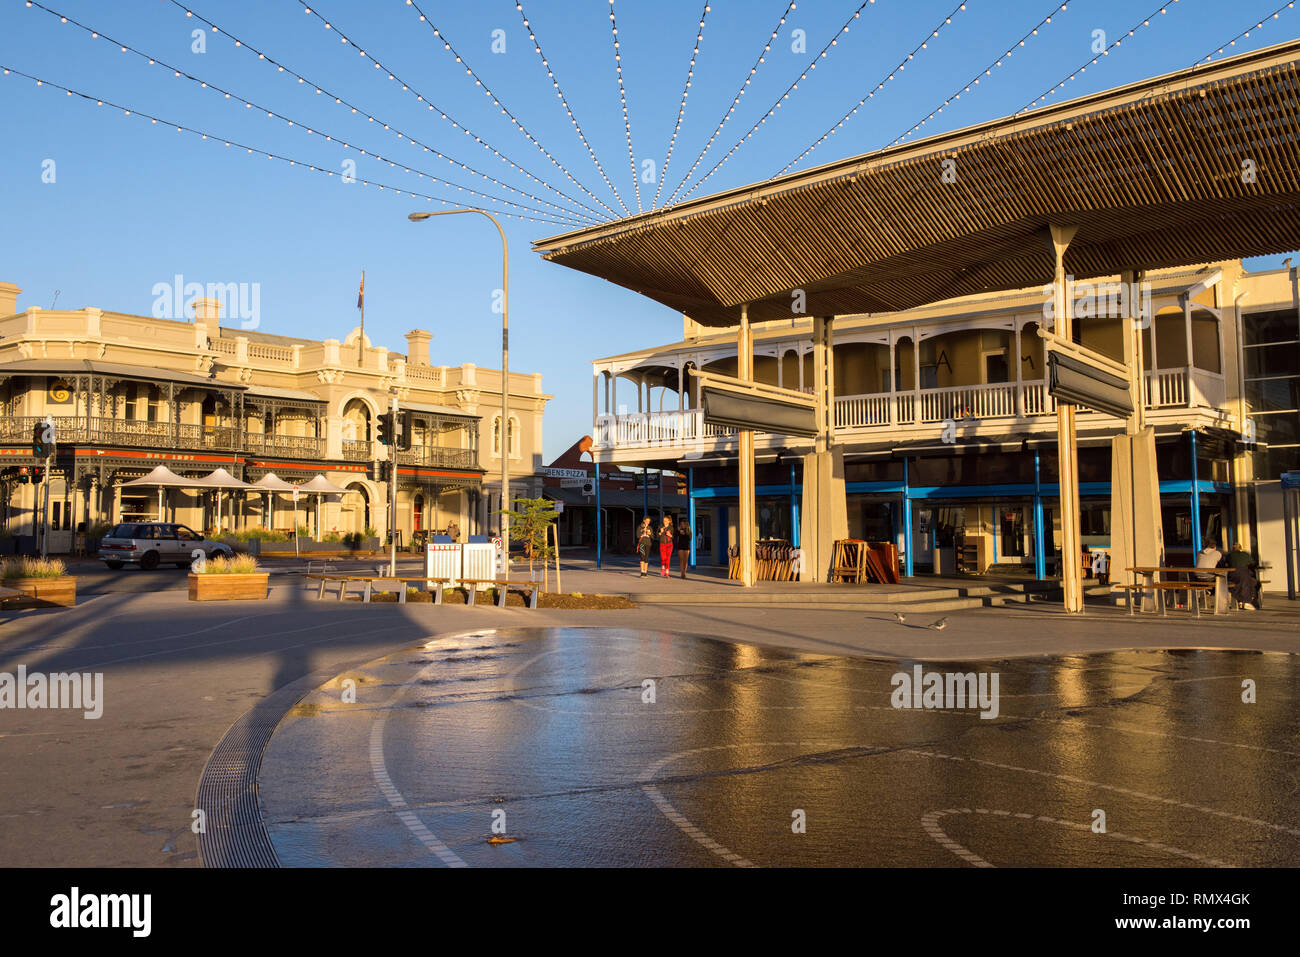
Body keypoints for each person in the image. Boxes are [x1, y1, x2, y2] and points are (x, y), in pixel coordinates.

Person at [1226, 541, 1261, 610]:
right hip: (1244, 575)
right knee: (1254, 582)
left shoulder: (1229, 555)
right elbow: (1253, 564)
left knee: (1242, 582)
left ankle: (1241, 601)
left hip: (1232, 576)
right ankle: (1247, 601)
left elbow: (1226, 564)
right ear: (1241, 549)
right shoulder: (1245, 554)